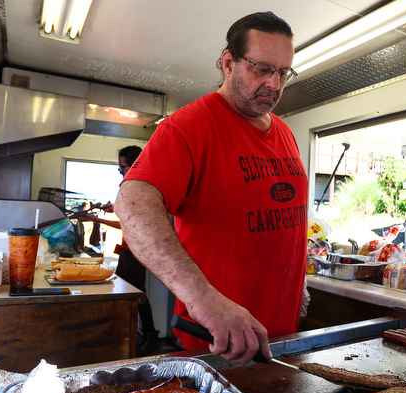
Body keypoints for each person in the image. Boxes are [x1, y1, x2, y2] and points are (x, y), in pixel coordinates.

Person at [115, 11, 308, 364]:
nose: (274, 84)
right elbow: (132, 205)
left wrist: (299, 284)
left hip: (282, 339)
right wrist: (202, 298)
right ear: (228, 62)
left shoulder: (284, 133)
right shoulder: (188, 127)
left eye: (283, 72)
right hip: (219, 344)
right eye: (262, 68)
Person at [80, 145, 160, 356]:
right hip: (126, 250)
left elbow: (128, 223)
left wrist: (96, 219)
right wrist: (112, 207)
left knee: (138, 294)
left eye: (121, 167)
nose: (120, 171)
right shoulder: (131, 184)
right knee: (125, 293)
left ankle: (150, 336)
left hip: (136, 251)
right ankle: (128, 333)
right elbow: (128, 210)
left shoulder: (142, 185)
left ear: (133, 165)